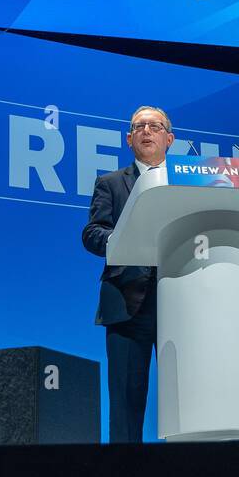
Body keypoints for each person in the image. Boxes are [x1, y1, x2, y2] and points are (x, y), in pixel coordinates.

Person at [81, 105, 175, 443]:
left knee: (188, 399)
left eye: (154, 126)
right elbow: (92, 233)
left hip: (182, 304)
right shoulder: (110, 184)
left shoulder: (188, 182)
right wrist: (120, 239)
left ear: (170, 138)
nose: (146, 131)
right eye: (139, 126)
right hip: (127, 305)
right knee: (125, 407)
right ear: (129, 139)